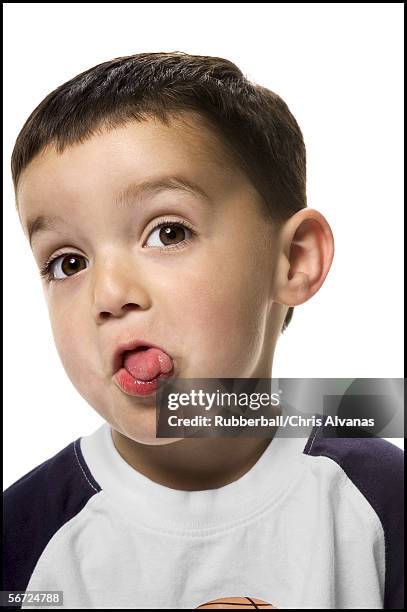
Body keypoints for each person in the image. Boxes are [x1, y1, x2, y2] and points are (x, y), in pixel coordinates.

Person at [3, 52, 403, 609]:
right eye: (68, 263)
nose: (110, 295)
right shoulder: (23, 537)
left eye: (167, 232)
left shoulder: (384, 501)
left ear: (292, 261)